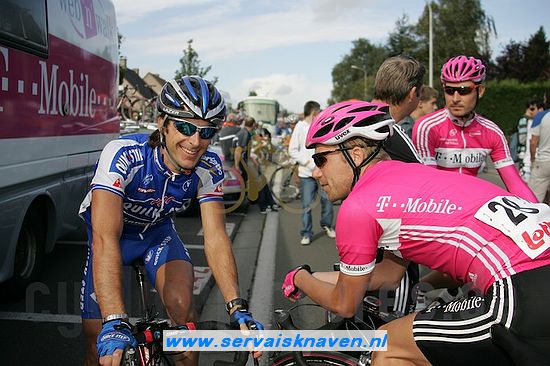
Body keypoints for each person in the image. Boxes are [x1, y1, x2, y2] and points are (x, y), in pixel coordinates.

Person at [282, 100, 550, 366]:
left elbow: (345, 303)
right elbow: (389, 276)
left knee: (388, 344)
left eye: (321, 159)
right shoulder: (414, 177)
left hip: (520, 293)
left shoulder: (360, 206)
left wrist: (301, 277)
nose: (316, 172)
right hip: (532, 278)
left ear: (355, 154)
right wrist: (426, 286)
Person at [79, 76, 263, 366]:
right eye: (186, 127)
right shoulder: (123, 154)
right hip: (113, 237)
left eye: (207, 132)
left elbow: (215, 237)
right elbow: (105, 238)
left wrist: (236, 307)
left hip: (157, 235)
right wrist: (114, 319)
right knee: (99, 342)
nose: (195, 141)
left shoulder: (209, 165)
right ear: (162, 122)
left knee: (184, 314)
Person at [413, 55, 537, 202]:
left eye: (464, 90)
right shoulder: (427, 127)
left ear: (481, 90)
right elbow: (429, 184)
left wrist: (540, 216)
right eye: (449, 90)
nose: (455, 98)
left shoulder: (492, 132)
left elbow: (516, 184)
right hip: (436, 205)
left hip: (469, 204)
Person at [289, 100, 335, 245]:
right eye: (318, 111)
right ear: (313, 111)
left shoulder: (322, 126)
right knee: (306, 205)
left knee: (327, 201)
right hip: (307, 174)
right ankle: (307, 232)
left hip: (322, 172)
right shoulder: (300, 127)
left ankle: (327, 224)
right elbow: (292, 150)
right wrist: (309, 164)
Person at [371, 54, 425, 164]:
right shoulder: (389, 132)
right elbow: (423, 175)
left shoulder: (353, 118)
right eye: (422, 92)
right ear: (412, 93)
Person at [234, 116, 279, 214]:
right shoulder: (245, 134)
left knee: (262, 180)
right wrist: (237, 166)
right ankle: (264, 206)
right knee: (260, 182)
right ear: (253, 124)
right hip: (244, 163)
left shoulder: (244, 132)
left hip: (247, 162)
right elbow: (238, 151)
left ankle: (271, 203)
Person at [516, 99, 545, 181]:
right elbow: (522, 139)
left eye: (532, 109)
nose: (530, 111)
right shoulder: (525, 121)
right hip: (527, 159)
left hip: (535, 160)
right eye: (529, 109)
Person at [529, 110, 550, 203]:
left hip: (544, 160)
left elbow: (533, 142)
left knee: (534, 199)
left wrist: (532, 158)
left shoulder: (542, 116)